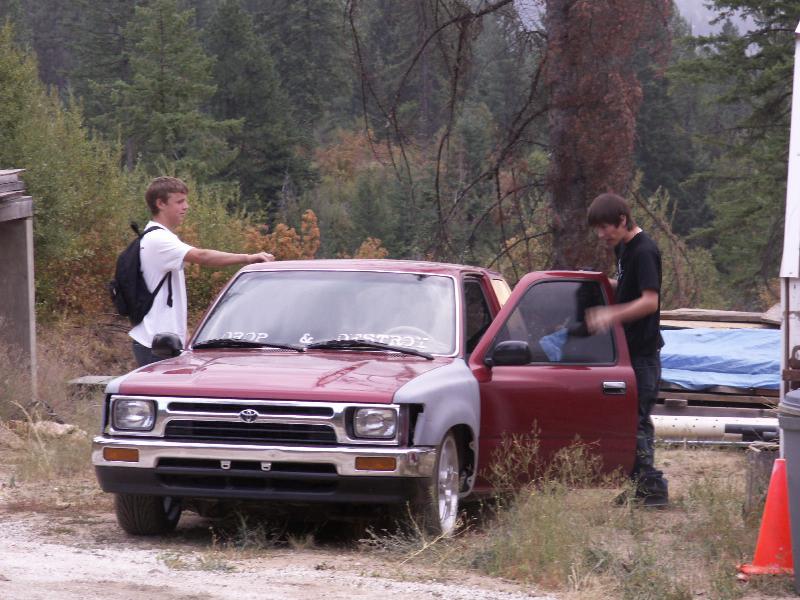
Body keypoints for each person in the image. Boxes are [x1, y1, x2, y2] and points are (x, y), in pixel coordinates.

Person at [129, 176, 274, 366]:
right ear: (160, 204)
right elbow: (202, 256)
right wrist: (248, 258)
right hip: (156, 344)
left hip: (165, 342)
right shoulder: (158, 239)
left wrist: (185, 335)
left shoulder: (161, 237)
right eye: (179, 202)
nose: (186, 207)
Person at [585, 192, 669, 507]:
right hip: (627, 351)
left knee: (637, 421)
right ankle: (639, 487)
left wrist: (609, 315)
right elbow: (629, 288)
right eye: (597, 228)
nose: (601, 234)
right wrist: (599, 284)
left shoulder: (644, 250)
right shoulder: (623, 248)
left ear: (622, 220)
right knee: (630, 421)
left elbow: (650, 301)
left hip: (644, 355)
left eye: (605, 227)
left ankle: (652, 489)